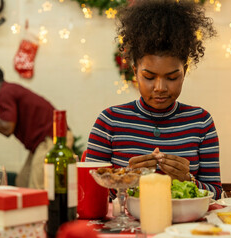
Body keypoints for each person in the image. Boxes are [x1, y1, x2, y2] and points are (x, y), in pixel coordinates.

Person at [85, 0, 222, 199]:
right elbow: (91, 194)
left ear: (185, 71)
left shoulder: (201, 122)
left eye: (172, 77)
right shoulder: (110, 121)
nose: (160, 88)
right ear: (135, 72)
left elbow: (217, 194)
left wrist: (188, 180)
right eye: (149, 77)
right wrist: (126, 179)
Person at [0, 66, 73, 189]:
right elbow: (7, 123)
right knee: (23, 181)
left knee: (37, 186)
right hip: (44, 140)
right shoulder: (9, 89)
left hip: (51, 139)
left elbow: (7, 128)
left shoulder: (5, 93)